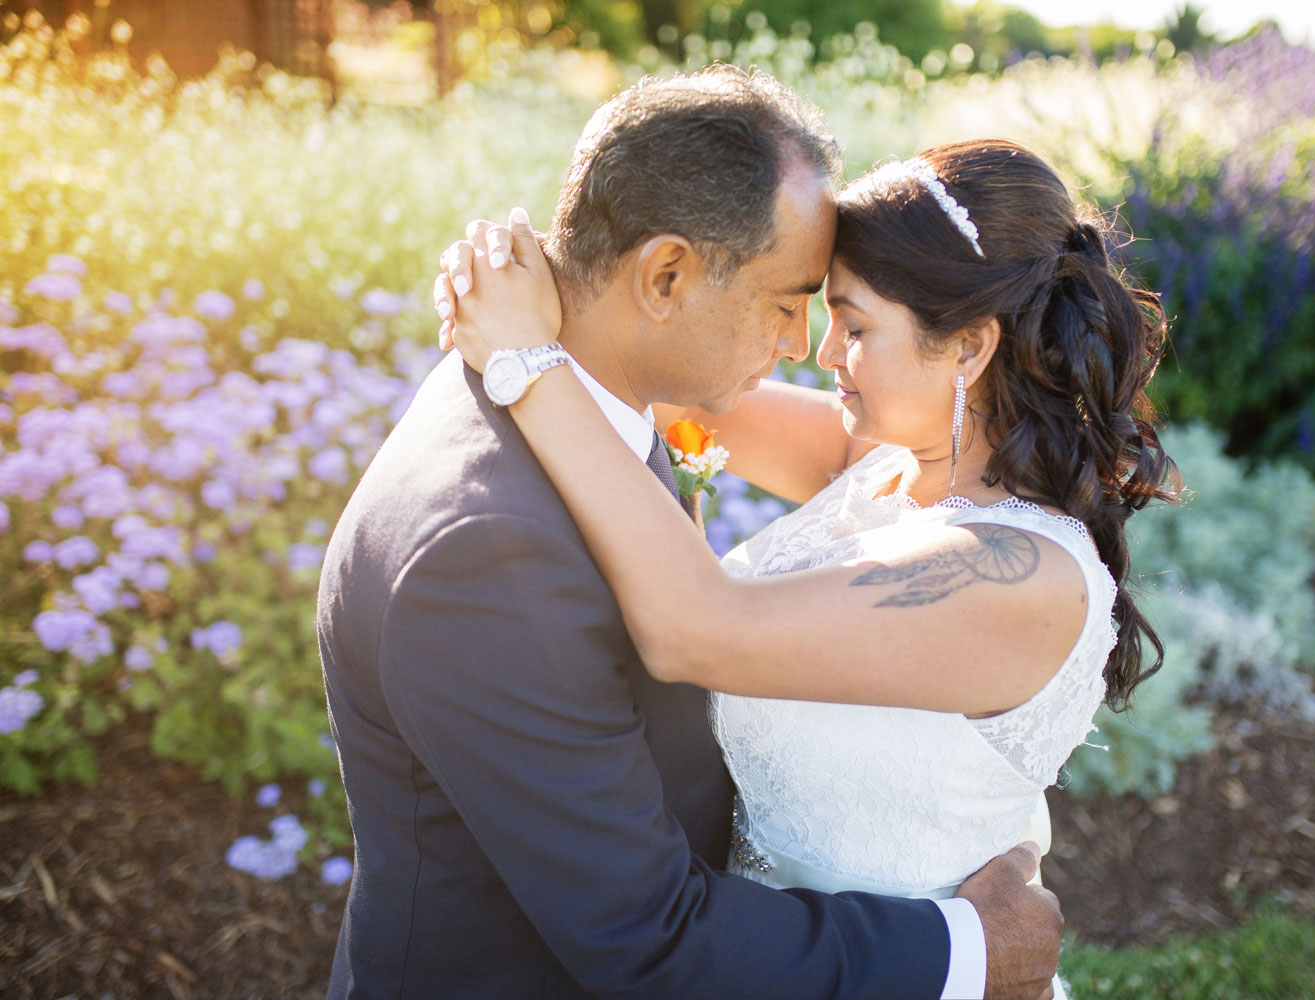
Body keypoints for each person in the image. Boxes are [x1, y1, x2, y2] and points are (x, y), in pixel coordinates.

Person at [319, 66, 1063, 1000]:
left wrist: (525, 343)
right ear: (665, 275)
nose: (803, 346)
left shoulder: (572, 397)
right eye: (791, 301)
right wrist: (965, 953)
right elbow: (643, 935)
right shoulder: (487, 548)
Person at [436, 136, 1181, 1000]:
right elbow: (671, 380)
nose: (821, 352)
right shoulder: (878, 463)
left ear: (970, 348)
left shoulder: (1014, 573)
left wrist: (526, 364)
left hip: (889, 975)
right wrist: (546, 290)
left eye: (856, 326)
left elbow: (696, 631)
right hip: (771, 962)